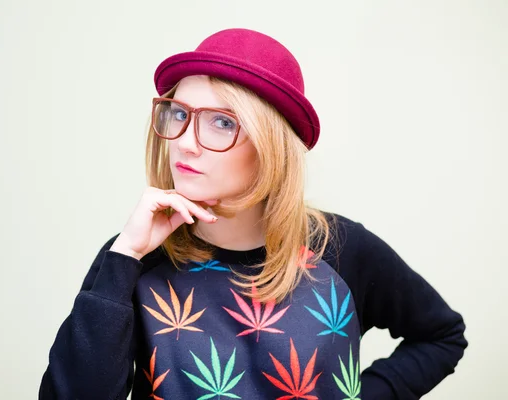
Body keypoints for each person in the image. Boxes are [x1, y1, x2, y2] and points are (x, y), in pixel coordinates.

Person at [39, 28, 467, 400]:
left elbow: (442, 335)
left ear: (271, 148)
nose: (186, 142)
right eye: (181, 114)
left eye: (222, 122)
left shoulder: (338, 249)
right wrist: (124, 257)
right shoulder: (132, 259)